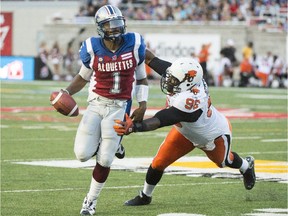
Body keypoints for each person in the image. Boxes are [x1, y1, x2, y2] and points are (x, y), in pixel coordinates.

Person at [113, 55, 256, 206]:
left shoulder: (191, 100)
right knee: (159, 162)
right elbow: (151, 59)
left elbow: (161, 119)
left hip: (213, 135)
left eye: (173, 80)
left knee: (224, 161)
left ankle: (246, 166)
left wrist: (134, 127)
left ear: (188, 82)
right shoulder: (181, 77)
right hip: (185, 132)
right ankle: (145, 196)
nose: (168, 81)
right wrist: (135, 47)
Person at [56, 5, 149, 215]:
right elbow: (82, 77)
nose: (115, 28)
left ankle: (90, 201)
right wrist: (66, 92)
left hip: (119, 106)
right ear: (100, 27)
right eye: (110, 24)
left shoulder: (135, 43)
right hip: (96, 104)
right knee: (81, 155)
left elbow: (141, 77)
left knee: (105, 159)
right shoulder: (91, 47)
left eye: (118, 23)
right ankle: (113, 143)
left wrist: (142, 104)